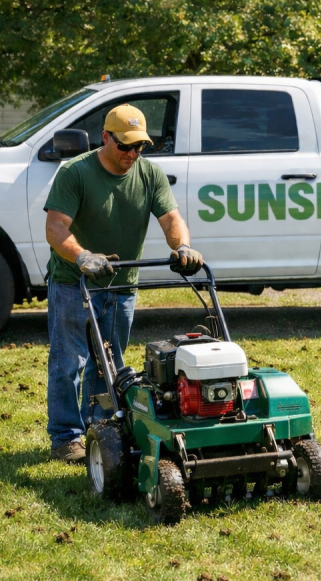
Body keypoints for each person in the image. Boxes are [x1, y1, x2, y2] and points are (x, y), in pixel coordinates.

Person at [44, 104, 203, 462]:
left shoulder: (150, 174)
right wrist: (82, 256)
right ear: (105, 137)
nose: (132, 154)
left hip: (121, 285)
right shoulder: (75, 172)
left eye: (139, 146)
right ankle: (65, 438)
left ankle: (99, 429)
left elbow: (171, 218)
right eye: (125, 146)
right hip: (73, 283)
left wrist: (182, 246)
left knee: (109, 363)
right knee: (68, 363)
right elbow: (55, 227)